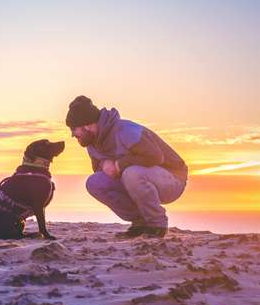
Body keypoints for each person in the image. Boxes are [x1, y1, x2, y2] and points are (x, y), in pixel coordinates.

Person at [65, 95, 188, 238]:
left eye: (74, 129)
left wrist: (119, 164)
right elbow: (100, 170)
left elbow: (155, 156)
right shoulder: (91, 143)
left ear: (87, 125)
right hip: (135, 181)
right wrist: (104, 164)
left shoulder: (126, 130)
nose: (72, 135)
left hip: (173, 179)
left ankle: (157, 224)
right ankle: (140, 222)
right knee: (94, 182)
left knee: (132, 173)